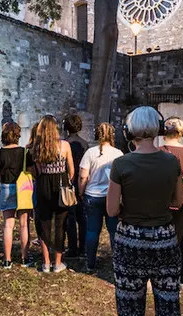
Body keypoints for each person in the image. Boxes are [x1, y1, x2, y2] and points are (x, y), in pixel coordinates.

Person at [107, 106, 183, 316]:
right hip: (164, 238)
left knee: (130, 312)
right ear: (158, 129)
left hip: (130, 242)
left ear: (130, 132)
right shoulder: (171, 162)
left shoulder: (122, 165)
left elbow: (112, 210)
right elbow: (176, 201)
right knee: (169, 309)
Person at [31, 115, 75, 273]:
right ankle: (58, 262)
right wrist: (66, 181)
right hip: (60, 185)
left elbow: (37, 170)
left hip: (43, 185)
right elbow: (71, 170)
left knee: (43, 222)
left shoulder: (37, 147)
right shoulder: (64, 145)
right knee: (60, 224)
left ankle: (46, 262)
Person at [78, 122, 122, 272]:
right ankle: (117, 264)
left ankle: (90, 264)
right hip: (112, 196)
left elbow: (83, 176)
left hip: (92, 196)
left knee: (92, 231)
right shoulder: (118, 154)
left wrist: (81, 192)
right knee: (114, 231)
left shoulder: (90, 153)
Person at [160, 117, 183, 292]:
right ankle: (181, 279)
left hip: (163, 198)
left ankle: (160, 276)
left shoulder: (160, 151)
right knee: (181, 240)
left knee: (160, 238)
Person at [0, 122, 31, 268]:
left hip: (6, 187)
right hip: (23, 189)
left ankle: (7, 260)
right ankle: (25, 258)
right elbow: (31, 170)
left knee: (8, 224)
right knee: (24, 225)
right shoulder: (24, 152)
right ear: (18, 135)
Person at [62, 113, 87, 259]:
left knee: (70, 217)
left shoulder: (65, 144)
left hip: (68, 182)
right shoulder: (84, 144)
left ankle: (72, 248)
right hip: (81, 182)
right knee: (82, 217)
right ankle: (83, 248)